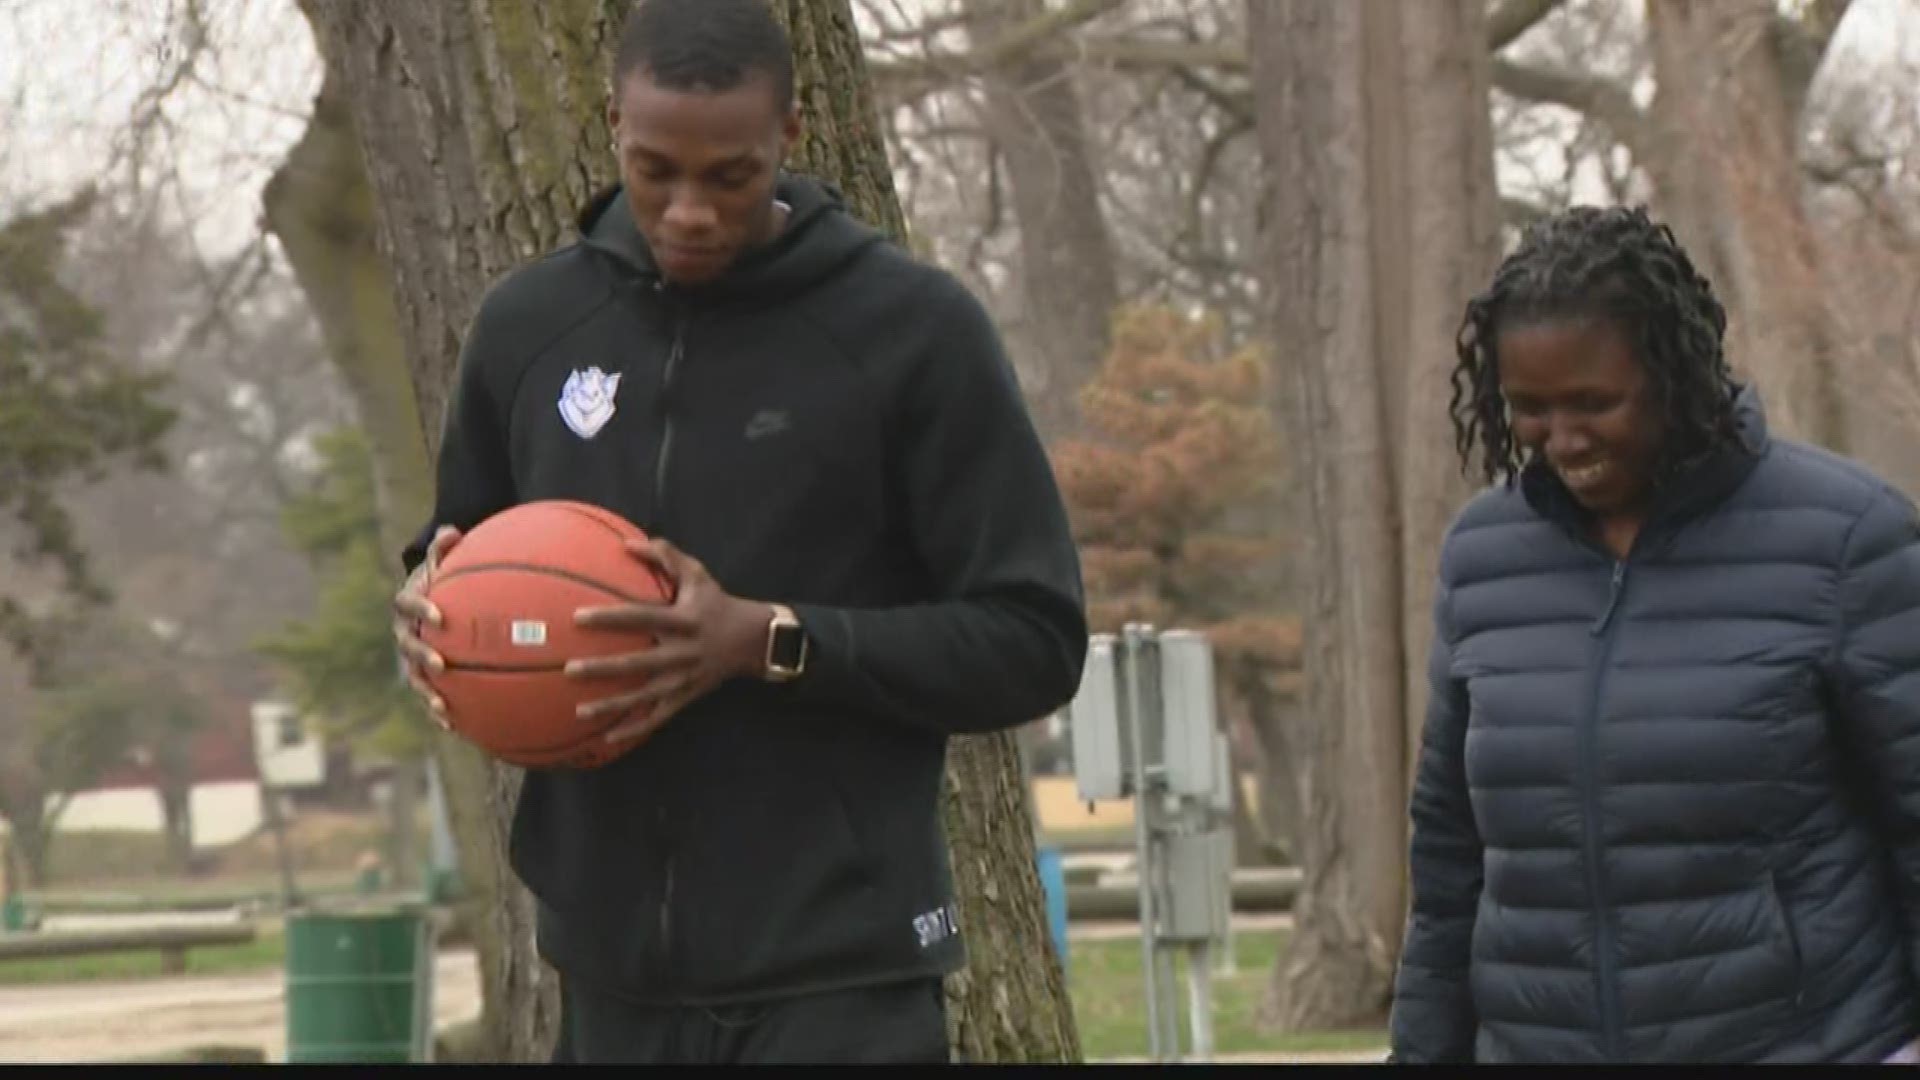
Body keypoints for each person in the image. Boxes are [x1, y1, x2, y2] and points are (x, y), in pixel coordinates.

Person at [388, 0, 1087, 1063]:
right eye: (655, 168)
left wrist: (766, 640)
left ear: (791, 141)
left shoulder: (910, 332)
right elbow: (466, 559)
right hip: (611, 977)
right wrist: (429, 617)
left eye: (731, 176)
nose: (689, 212)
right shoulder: (529, 332)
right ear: (613, 121)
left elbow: (1033, 638)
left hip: (843, 973)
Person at [1390, 205, 1920, 1063]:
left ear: (1677, 375)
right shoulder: (1483, 557)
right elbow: (1452, 855)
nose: (1562, 440)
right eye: (1529, 409)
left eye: (1594, 403)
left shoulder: (1846, 538)